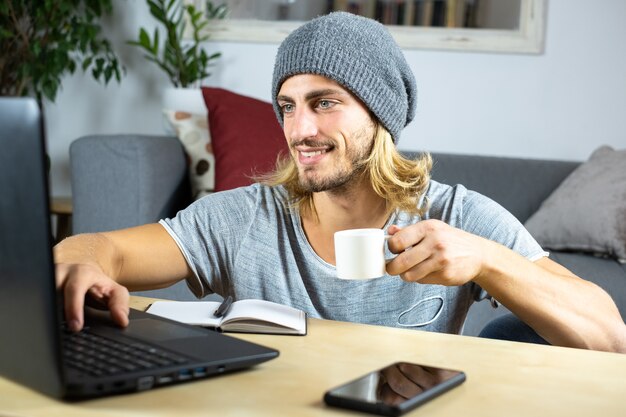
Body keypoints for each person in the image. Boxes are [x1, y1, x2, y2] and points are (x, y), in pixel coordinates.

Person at [55, 12, 625, 352]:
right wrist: (78, 263)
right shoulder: (243, 218)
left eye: (325, 103)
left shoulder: (456, 218)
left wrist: (488, 262)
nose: (300, 130)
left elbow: (611, 338)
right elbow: (102, 249)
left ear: (379, 116)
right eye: (287, 106)